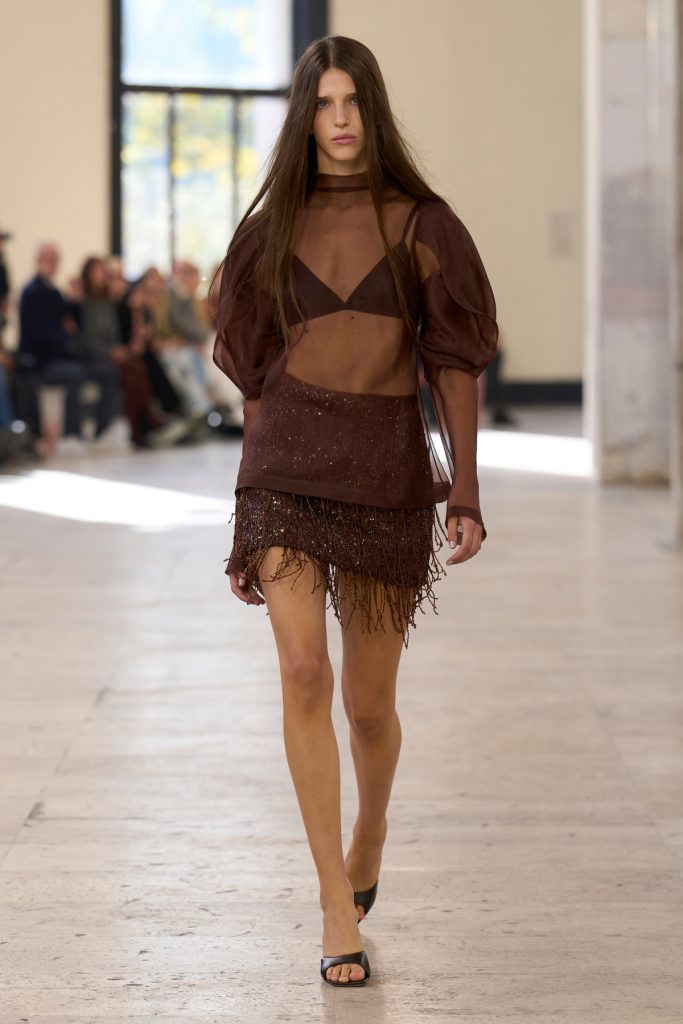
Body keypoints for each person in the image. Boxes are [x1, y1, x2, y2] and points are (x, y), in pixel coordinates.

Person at [210, 35, 499, 988]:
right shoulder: (267, 233)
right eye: (324, 104)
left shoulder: (423, 223)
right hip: (285, 470)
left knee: (369, 707)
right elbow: (255, 383)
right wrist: (245, 514)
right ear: (305, 118)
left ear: (372, 112)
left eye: (353, 103)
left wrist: (464, 487)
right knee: (303, 672)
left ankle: (369, 830)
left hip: (384, 472)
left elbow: (452, 365)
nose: (339, 120)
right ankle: (334, 901)